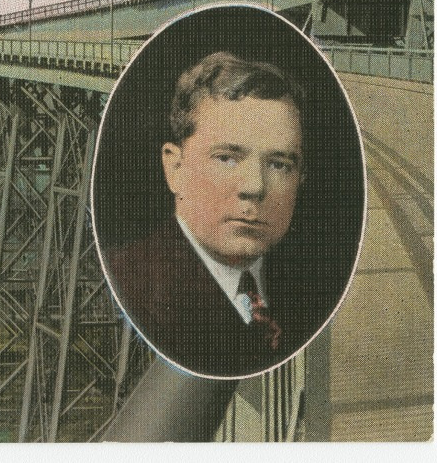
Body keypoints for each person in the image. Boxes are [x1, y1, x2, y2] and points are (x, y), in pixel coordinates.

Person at [104, 51, 330, 378]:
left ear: (300, 181)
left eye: (279, 164)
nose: (254, 187)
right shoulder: (130, 284)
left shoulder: (311, 285)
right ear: (174, 168)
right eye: (227, 158)